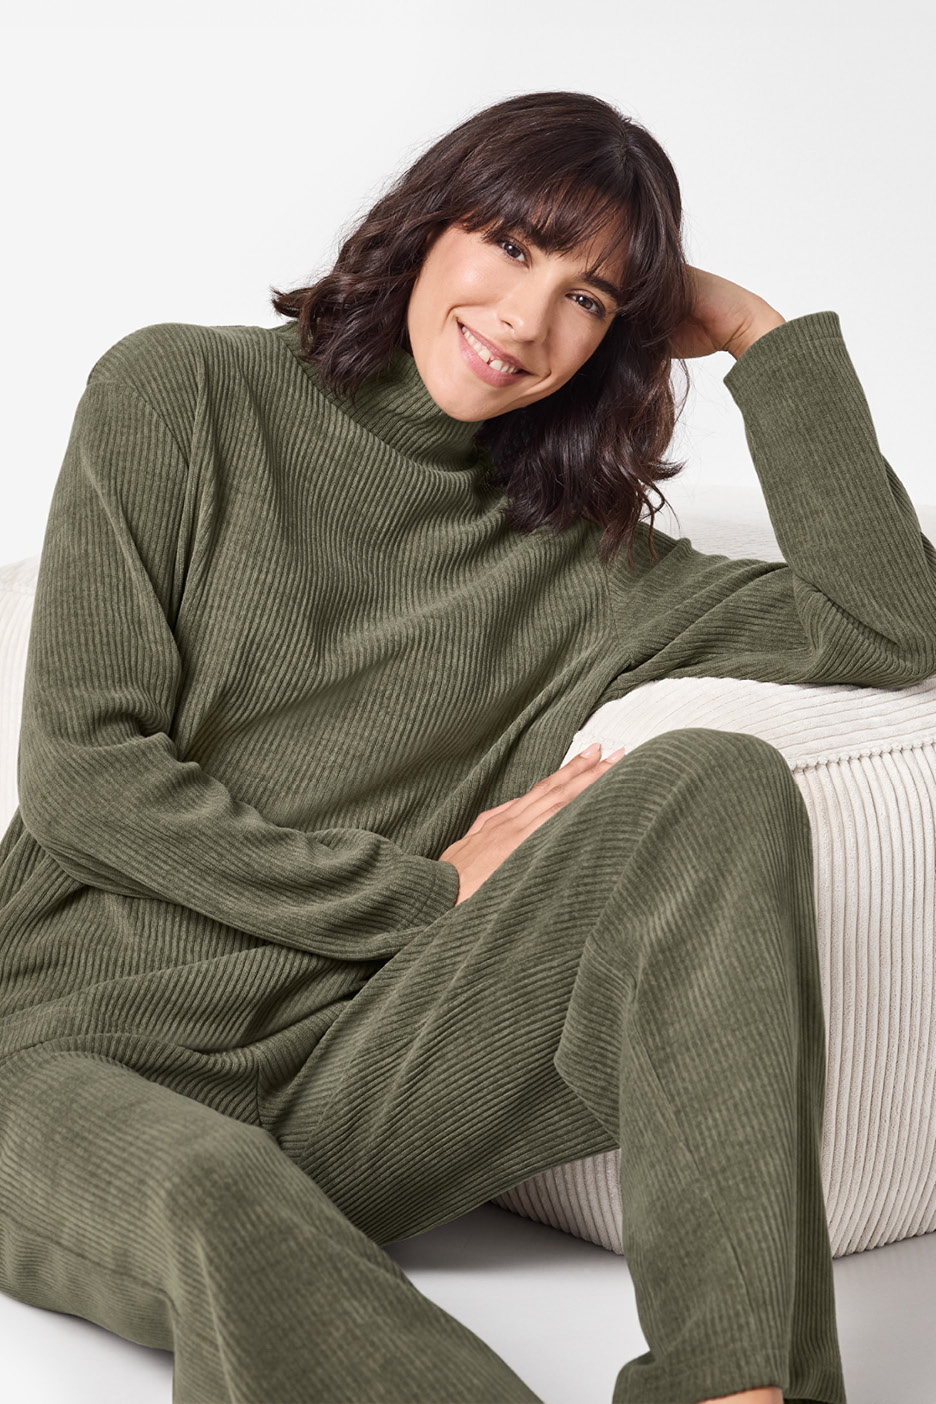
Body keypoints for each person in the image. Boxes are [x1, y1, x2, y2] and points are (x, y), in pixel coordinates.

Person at [1, 87, 933, 1404]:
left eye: (592, 298)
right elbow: (87, 779)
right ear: (431, 220)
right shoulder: (178, 395)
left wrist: (753, 333)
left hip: (346, 1090)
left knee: (714, 786)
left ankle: (741, 1390)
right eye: (512, 245)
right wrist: (425, 891)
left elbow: (893, 626)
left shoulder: (590, 569)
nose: (527, 318)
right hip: (56, 1062)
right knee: (218, 1198)